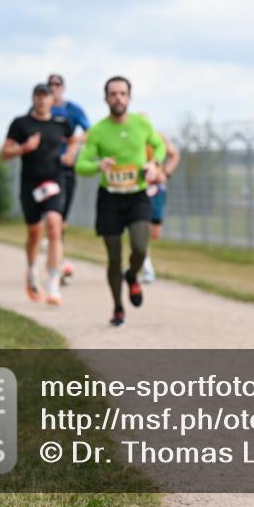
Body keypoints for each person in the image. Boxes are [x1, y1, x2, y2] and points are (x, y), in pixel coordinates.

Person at [75, 76, 166, 327]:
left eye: (123, 93)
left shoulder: (141, 124)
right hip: (110, 199)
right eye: (113, 94)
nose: (118, 98)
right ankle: (117, 307)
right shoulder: (98, 130)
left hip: (137, 196)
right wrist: (98, 165)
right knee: (113, 257)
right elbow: (81, 165)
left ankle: (132, 275)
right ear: (106, 98)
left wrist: (154, 163)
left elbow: (159, 146)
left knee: (140, 247)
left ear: (129, 97)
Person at [1, 83, 79, 306]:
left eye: (46, 96)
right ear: (33, 98)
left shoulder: (61, 123)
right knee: (34, 233)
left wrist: (70, 154)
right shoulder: (21, 123)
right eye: (39, 96)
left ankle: (53, 284)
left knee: (54, 225)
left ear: (53, 100)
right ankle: (31, 270)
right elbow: (4, 153)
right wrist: (23, 148)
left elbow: (74, 139)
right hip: (30, 183)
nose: (43, 100)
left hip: (54, 180)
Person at [42, 73, 90, 285]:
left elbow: (90, 132)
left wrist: (74, 142)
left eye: (57, 84)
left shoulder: (73, 110)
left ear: (63, 87)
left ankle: (56, 258)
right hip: (45, 169)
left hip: (66, 169)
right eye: (50, 84)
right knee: (52, 218)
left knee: (61, 220)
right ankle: (57, 262)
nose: (54, 87)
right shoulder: (40, 109)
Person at [141, 129, 181, 283]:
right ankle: (147, 266)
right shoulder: (130, 137)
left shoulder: (158, 138)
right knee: (141, 227)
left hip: (157, 190)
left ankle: (138, 257)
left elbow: (175, 155)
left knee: (155, 233)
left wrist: (165, 173)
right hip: (139, 189)